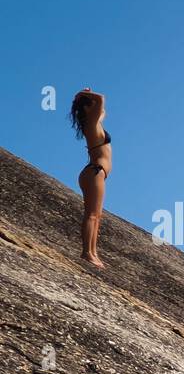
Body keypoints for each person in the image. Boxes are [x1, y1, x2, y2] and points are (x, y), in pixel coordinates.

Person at [70, 88, 111, 268]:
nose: (97, 108)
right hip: (94, 172)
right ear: (87, 108)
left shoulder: (95, 122)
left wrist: (86, 97)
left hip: (97, 173)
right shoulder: (91, 123)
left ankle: (93, 252)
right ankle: (87, 253)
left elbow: (103, 111)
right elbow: (102, 99)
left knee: (97, 216)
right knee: (92, 215)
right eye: (92, 105)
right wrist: (83, 95)